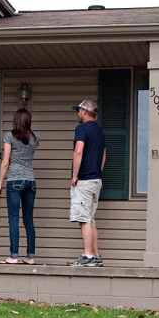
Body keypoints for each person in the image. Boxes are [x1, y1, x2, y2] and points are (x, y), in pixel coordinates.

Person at [0, 108, 39, 265]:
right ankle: (30, 257)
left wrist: (0, 184)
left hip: (14, 181)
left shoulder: (9, 136)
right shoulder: (35, 138)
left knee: (13, 219)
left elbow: (5, 162)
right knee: (28, 219)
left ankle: (13, 256)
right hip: (30, 181)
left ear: (16, 120)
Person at [67, 100, 106, 267]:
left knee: (84, 219)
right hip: (96, 180)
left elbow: (78, 150)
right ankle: (95, 255)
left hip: (84, 180)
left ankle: (88, 256)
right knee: (90, 219)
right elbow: (104, 155)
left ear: (84, 111)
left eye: (78, 110)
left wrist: (75, 175)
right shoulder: (99, 131)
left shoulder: (81, 129)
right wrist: (98, 171)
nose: (77, 113)